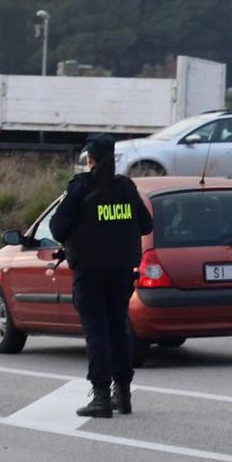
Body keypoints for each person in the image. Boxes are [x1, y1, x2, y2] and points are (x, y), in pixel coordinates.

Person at [49, 134, 153, 418]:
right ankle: (123, 394)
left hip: (89, 271)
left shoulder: (80, 187)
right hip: (121, 271)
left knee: (96, 333)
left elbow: (57, 228)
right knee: (118, 329)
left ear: (89, 159)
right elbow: (146, 225)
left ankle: (101, 398)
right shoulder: (126, 188)